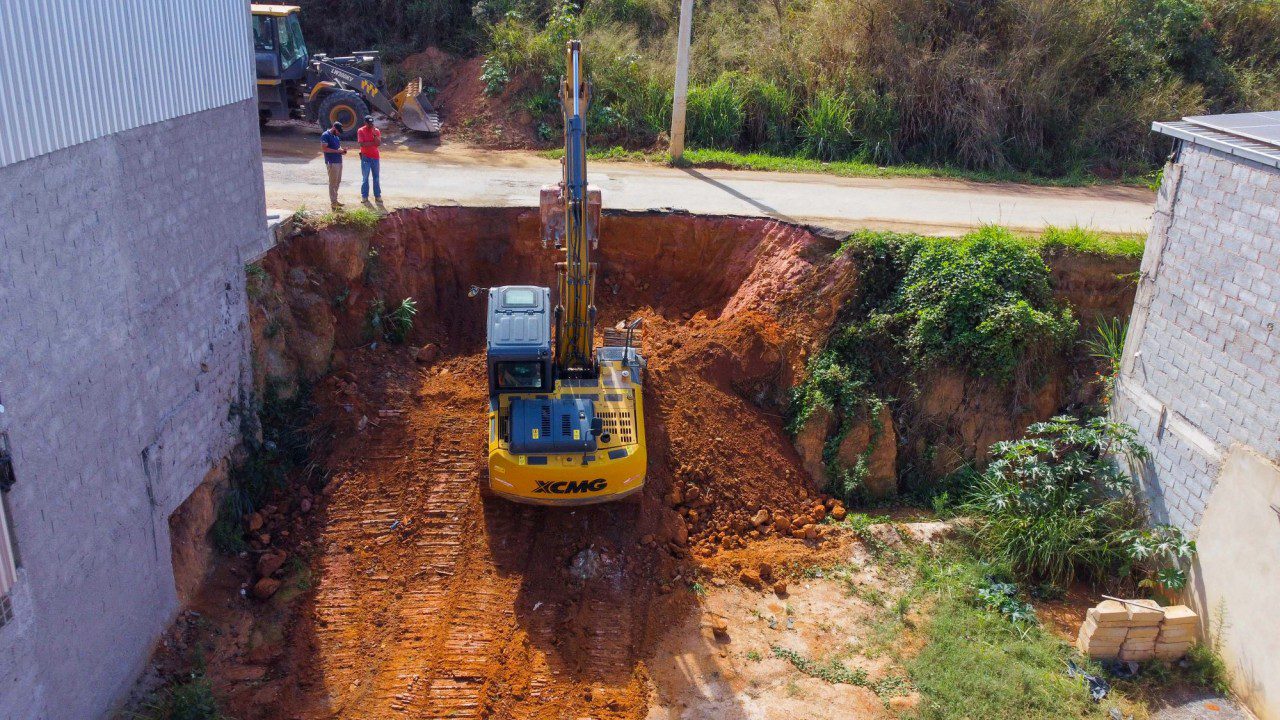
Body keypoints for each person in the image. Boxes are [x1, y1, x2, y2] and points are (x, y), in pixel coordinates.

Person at [320, 122, 347, 209]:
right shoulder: (325, 135)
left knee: (337, 182)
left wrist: (342, 151)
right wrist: (337, 151)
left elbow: (338, 148)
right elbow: (324, 149)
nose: (339, 133)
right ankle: (333, 203)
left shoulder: (336, 137)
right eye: (338, 131)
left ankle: (335, 200)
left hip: (338, 161)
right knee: (333, 183)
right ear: (333, 128)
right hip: (331, 162)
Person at [357, 115, 383, 204]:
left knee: (376, 178)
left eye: (371, 123)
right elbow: (362, 144)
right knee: (365, 178)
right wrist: (373, 143)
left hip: (375, 157)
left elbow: (378, 143)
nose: (370, 125)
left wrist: (374, 134)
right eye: (369, 123)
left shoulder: (376, 131)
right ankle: (364, 197)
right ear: (365, 123)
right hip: (365, 157)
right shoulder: (361, 130)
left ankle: (377, 196)